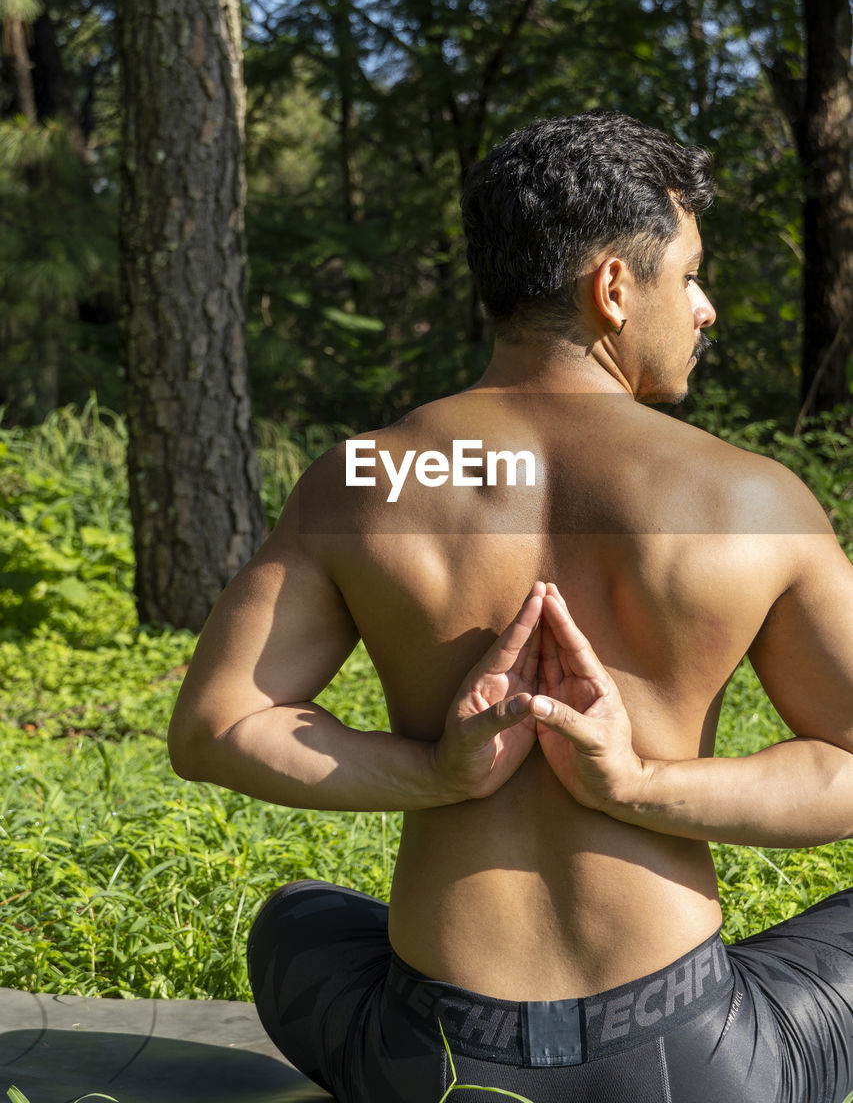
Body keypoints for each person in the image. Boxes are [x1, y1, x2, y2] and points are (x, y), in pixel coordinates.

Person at [168, 111, 853, 1103]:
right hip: (690, 1062)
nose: (704, 308)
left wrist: (438, 774)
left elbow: (214, 727)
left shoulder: (367, 477)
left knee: (297, 918)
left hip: (431, 1057)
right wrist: (638, 785)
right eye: (690, 274)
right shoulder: (752, 496)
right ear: (613, 287)